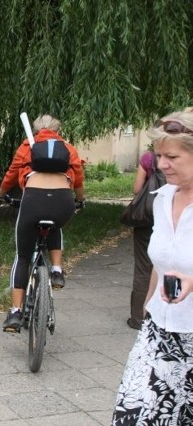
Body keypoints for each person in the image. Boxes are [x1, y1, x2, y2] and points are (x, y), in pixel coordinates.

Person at [112, 107, 193, 425]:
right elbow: (159, 264)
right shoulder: (161, 199)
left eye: (171, 157)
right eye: (159, 156)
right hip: (158, 332)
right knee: (132, 416)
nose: (161, 165)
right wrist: (147, 309)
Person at [0, 114, 85, 332]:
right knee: (55, 224)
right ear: (57, 129)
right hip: (63, 202)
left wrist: (0, 194)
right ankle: (56, 270)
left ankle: (15, 314)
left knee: (23, 256)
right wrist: (80, 200)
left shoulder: (28, 145)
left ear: (36, 130)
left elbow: (11, 174)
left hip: (32, 201)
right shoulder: (67, 147)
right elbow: (79, 176)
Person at [126, 148, 159, 330]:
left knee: (143, 267)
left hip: (147, 218)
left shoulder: (149, 157)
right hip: (173, 217)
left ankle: (138, 318)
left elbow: (137, 189)